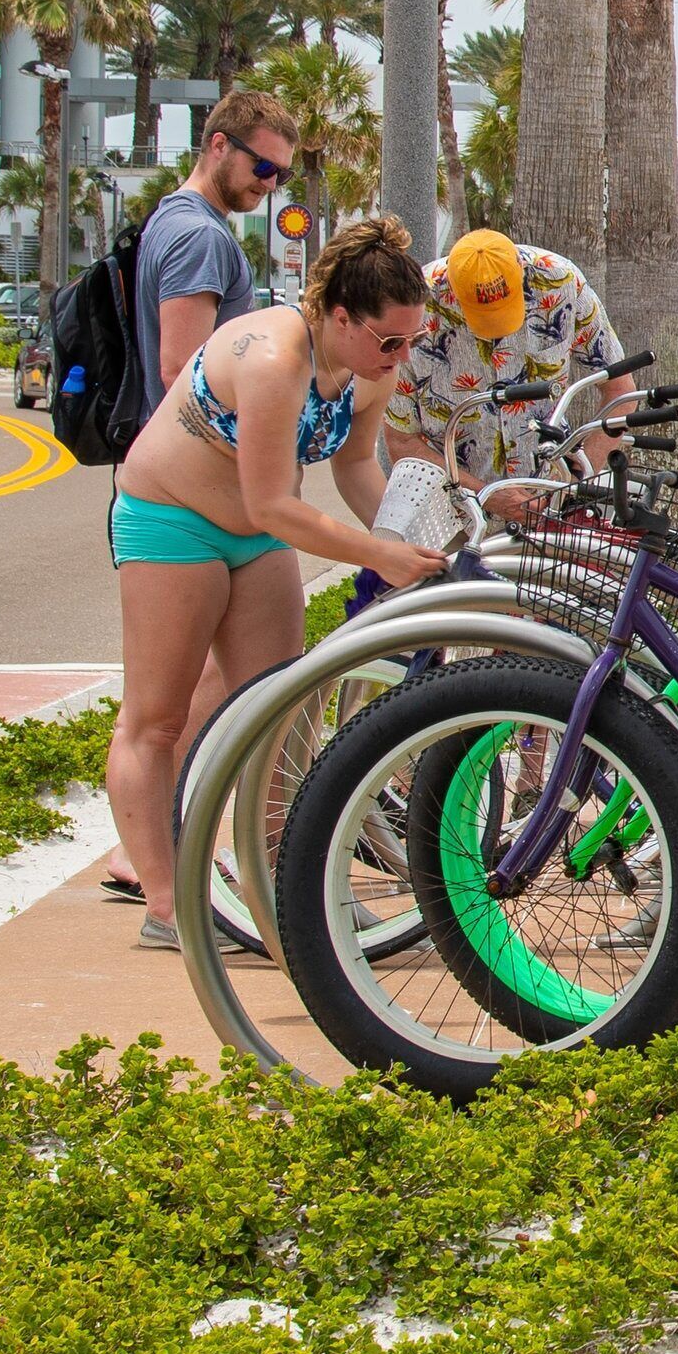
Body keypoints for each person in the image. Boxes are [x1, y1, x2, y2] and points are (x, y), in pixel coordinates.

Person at [105, 218, 443, 946]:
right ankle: (168, 905)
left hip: (257, 538)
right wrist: (376, 556)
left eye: (413, 339)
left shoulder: (368, 370)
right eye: (390, 340)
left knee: (280, 719)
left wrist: (401, 538)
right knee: (157, 719)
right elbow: (272, 501)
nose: (402, 355)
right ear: (338, 316)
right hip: (173, 520)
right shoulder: (271, 357)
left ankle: (282, 890)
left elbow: (355, 466)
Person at [383, 228, 633, 501]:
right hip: (451, 509)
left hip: (550, 499)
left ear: (521, 272)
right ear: (453, 291)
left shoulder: (560, 281)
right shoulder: (417, 305)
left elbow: (621, 391)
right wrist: (484, 495)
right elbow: (401, 440)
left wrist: (578, 477)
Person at [132, 87, 294, 439]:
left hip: (168, 456)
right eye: (263, 165)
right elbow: (181, 371)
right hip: (190, 469)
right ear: (220, 145)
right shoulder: (200, 235)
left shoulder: (168, 215)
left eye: (281, 175)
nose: (270, 183)